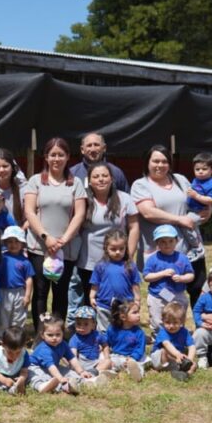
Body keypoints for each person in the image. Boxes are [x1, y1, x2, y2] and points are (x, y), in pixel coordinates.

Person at [23, 137, 87, 329]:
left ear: (67, 157)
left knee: (60, 293)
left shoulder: (75, 183)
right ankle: (40, 334)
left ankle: (57, 334)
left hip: (65, 248)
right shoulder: (35, 181)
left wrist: (63, 239)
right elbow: (29, 211)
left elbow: (80, 213)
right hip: (39, 247)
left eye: (61, 155)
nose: (56, 159)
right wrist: (46, 237)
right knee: (40, 292)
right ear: (46, 157)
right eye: (53, 155)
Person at [131, 145, 206, 306]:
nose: (160, 165)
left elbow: (197, 203)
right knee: (166, 296)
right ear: (147, 163)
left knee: (198, 289)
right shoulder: (141, 185)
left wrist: (206, 208)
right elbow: (148, 212)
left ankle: (201, 328)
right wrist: (180, 219)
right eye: (155, 161)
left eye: (164, 161)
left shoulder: (180, 180)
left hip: (190, 249)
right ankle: (165, 329)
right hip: (161, 254)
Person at [72, 162, 140, 314]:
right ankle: (92, 332)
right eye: (96, 176)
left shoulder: (125, 199)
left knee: (119, 297)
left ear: (112, 179)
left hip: (118, 259)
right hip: (89, 261)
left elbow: (134, 227)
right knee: (92, 300)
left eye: (105, 175)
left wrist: (129, 254)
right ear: (89, 181)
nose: (101, 179)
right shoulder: (83, 200)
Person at [142, 224, 194, 331]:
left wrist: (182, 278)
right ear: (157, 243)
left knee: (178, 317)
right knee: (157, 320)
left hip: (177, 294)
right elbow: (146, 276)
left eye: (171, 241)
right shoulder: (153, 259)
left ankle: (177, 336)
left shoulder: (182, 258)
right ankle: (159, 337)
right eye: (163, 242)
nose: (167, 244)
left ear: (177, 241)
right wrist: (162, 273)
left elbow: (191, 275)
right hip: (157, 296)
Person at [89, 230, 142, 331]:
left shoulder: (130, 265)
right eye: (113, 249)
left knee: (124, 328)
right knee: (104, 330)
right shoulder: (101, 265)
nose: (118, 252)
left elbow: (135, 284)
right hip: (104, 304)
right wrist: (92, 297)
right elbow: (95, 283)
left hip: (125, 305)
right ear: (106, 248)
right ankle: (105, 346)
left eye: (121, 249)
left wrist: (137, 300)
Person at [26, 314, 81, 395]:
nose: (54, 338)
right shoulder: (44, 349)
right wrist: (61, 378)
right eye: (50, 335)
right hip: (35, 367)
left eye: (58, 334)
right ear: (42, 335)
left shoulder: (63, 344)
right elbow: (51, 367)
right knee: (40, 377)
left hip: (53, 366)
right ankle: (43, 387)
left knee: (70, 372)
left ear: (63, 333)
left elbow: (72, 358)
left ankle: (87, 381)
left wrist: (81, 371)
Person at [183, 152, 212, 259]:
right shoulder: (196, 180)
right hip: (190, 209)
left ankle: (197, 247)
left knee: (186, 225)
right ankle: (198, 244)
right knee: (193, 228)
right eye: (197, 169)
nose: (200, 172)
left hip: (199, 211)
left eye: (204, 169)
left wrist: (196, 196)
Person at [0, 226, 33, 334]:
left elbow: (29, 279)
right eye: (10, 242)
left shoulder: (25, 261)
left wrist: (27, 295)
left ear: (22, 243)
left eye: (16, 241)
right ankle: (3, 337)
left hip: (19, 292)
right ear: (5, 243)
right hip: (3, 290)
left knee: (19, 315)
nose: (13, 245)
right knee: (3, 315)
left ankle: (16, 336)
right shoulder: (2, 258)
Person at [151, 302, 195, 382]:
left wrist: (190, 359)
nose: (171, 326)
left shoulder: (184, 332)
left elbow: (191, 346)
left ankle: (187, 373)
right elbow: (167, 344)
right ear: (163, 321)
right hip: (160, 359)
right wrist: (177, 354)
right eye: (167, 322)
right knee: (164, 351)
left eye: (175, 323)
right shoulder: (163, 332)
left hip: (176, 358)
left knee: (193, 364)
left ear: (181, 322)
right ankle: (169, 368)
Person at [105, 299, 146, 381]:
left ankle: (137, 374)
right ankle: (109, 373)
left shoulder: (139, 332)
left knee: (138, 365)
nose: (138, 315)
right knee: (110, 362)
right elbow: (106, 342)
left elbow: (140, 348)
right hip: (116, 356)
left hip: (132, 358)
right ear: (123, 317)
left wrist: (133, 358)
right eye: (135, 313)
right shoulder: (112, 329)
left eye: (138, 312)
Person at [69, 306, 112, 377]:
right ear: (75, 324)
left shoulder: (97, 334)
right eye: (78, 324)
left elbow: (105, 345)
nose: (81, 327)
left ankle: (93, 373)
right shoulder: (75, 339)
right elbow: (73, 355)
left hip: (95, 362)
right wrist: (77, 368)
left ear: (93, 324)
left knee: (108, 362)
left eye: (86, 324)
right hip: (82, 363)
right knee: (73, 366)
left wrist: (107, 357)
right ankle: (92, 374)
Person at [0, 326, 30, 394]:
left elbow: (24, 371)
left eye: (18, 352)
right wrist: (4, 380)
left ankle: (14, 387)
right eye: (10, 352)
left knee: (29, 377)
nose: (14, 356)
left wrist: (21, 379)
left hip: (15, 374)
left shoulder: (24, 354)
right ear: (2, 344)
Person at [0, 148, 26, 226]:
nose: (1, 170)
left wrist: (20, 232)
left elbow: (30, 216)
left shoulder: (23, 188)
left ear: (12, 168)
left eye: (5, 166)